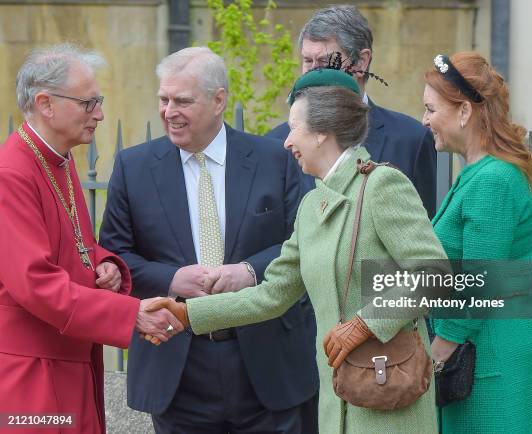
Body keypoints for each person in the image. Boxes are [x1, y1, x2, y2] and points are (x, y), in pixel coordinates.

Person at [146, 68, 450, 434]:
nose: (287, 141)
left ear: (322, 133)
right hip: (335, 404)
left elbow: (433, 274)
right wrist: (187, 313)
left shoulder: (383, 185)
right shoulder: (311, 207)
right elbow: (271, 295)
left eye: (295, 128)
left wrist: (364, 324)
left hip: (390, 398)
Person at [99, 46, 318, 433]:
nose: (169, 112)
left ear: (219, 101)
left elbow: (303, 241)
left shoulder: (274, 158)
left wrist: (249, 271)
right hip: (178, 365)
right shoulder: (133, 168)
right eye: (163, 100)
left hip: (266, 361)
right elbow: (115, 257)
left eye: (183, 101)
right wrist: (170, 279)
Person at [0, 43, 183, 434]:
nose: (99, 113)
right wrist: (130, 313)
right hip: (33, 375)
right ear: (46, 103)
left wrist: (106, 264)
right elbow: (34, 283)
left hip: (70, 360)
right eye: (89, 103)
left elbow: (71, 244)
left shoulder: (58, 159)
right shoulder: (12, 173)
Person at [423, 52, 532, 433]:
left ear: (464, 111)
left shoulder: (492, 180)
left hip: (489, 359)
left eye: (430, 109)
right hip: (483, 353)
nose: (425, 120)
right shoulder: (479, 173)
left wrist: (437, 355)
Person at [267, 4, 437, 219]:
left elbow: (425, 233)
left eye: (325, 62)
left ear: (361, 62)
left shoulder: (411, 140)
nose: (312, 72)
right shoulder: (277, 143)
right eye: (307, 61)